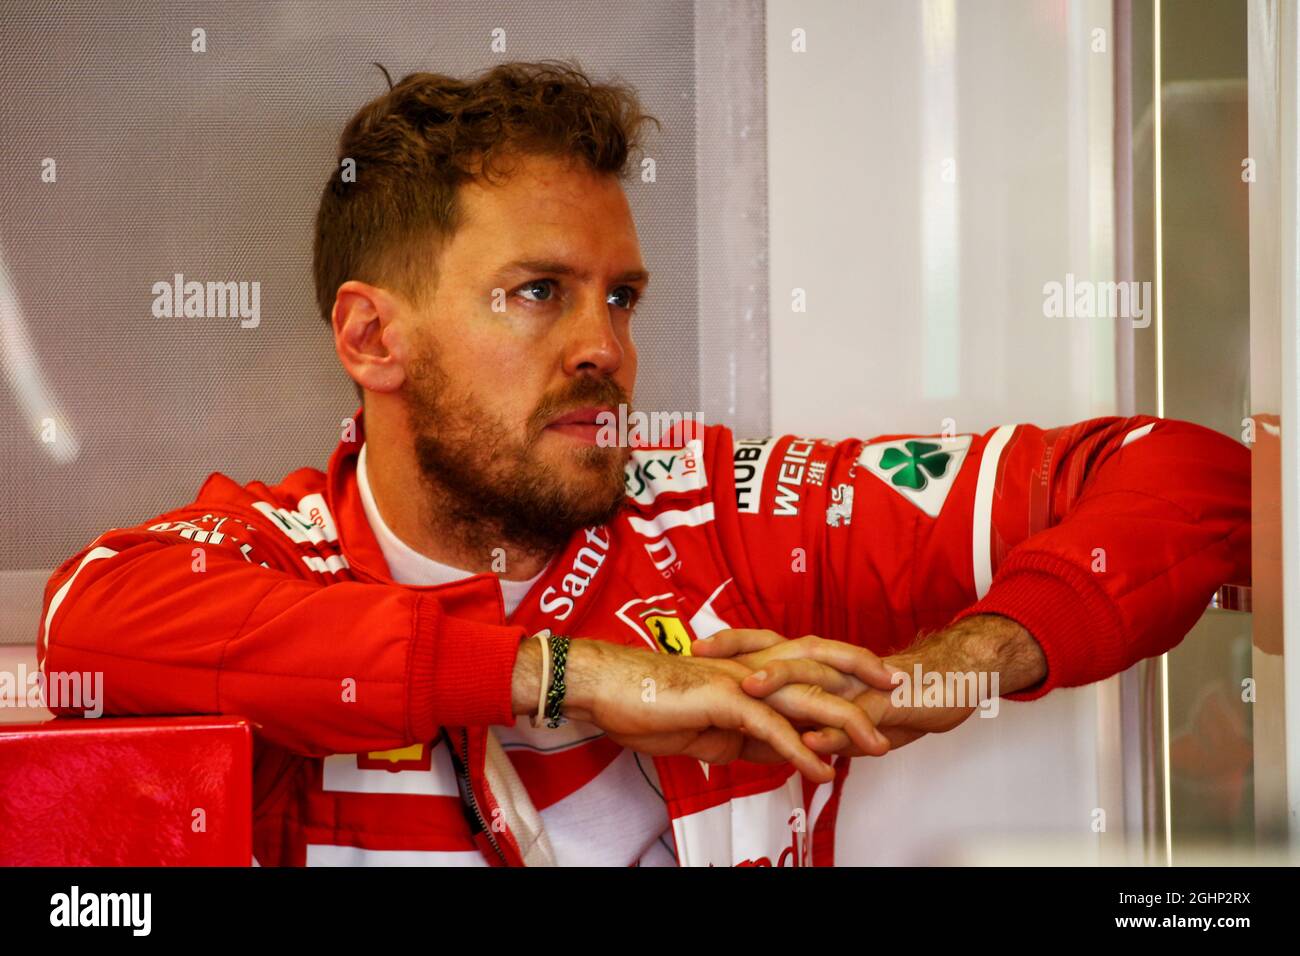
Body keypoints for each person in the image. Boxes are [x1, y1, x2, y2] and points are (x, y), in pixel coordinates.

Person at [37, 62, 1251, 867]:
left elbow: (1198, 483)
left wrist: (929, 676)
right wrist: (576, 677)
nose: (603, 349)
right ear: (371, 337)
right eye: (536, 294)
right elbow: (89, 626)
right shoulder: (277, 556)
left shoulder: (728, 511)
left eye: (620, 297)